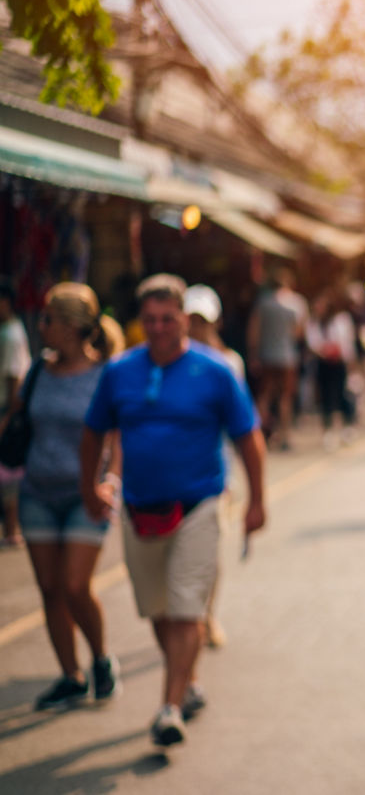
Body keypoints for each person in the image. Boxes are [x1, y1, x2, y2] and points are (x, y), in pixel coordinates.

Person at [82, 274, 267, 748]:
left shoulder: (217, 371)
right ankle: (187, 681)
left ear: (184, 318)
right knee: (158, 610)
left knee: (187, 607)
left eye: (168, 318)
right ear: (140, 324)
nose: (160, 328)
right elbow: (93, 433)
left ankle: (170, 706)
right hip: (138, 508)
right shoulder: (120, 371)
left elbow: (249, 438)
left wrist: (257, 502)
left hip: (200, 504)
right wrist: (90, 487)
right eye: (151, 321)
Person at [3, 284, 124, 710]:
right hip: (37, 490)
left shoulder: (105, 374)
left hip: (85, 495)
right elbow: (19, 415)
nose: (42, 325)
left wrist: (110, 479)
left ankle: (101, 659)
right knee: (50, 588)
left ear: (71, 327)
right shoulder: (39, 370)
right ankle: (70, 676)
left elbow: (117, 435)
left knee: (75, 586)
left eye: (49, 318)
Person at [184, 284, 245, 650]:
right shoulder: (172, 362)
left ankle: (208, 613)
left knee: (210, 549)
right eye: (190, 318)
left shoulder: (228, 363)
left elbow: (241, 425)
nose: (195, 326)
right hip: (178, 471)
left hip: (217, 470)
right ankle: (188, 616)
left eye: (201, 320)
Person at [246, 266, 307, 450]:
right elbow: (299, 332)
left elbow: (253, 331)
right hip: (287, 356)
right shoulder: (297, 302)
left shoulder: (263, 303)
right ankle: (285, 437)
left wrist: (253, 354)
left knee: (264, 396)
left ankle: (255, 434)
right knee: (285, 398)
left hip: (267, 356)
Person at [0, 278, 31, 548]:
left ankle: (12, 530)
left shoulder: (9, 335)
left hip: (5, 409)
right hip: (7, 408)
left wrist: (6, 417)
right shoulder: (11, 329)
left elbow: (13, 379)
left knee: (7, 472)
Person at [306, 288, 358, 450]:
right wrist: (323, 350)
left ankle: (346, 429)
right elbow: (312, 342)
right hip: (323, 364)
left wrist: (349, 361)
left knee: (343, 394)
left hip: (340, 363)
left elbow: (347, 343)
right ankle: (328, 431)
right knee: (326, 397)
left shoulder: (341, 320)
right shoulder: (314, 323)